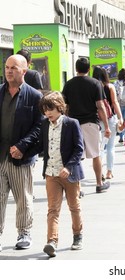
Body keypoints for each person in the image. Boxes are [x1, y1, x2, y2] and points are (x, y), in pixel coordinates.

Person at [25, 91, 84, 257]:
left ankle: (77, 236)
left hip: (69, 174)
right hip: (51, 173)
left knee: (74, 207)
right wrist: (23, 152)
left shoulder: (72, 123)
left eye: (50, 109)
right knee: (52, 210)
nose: (47, 113)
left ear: (60, 107)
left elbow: (79, 148)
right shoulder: (45, 124)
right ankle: (52, 241)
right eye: (45, 109)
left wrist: (69, 167)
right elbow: (41, 146)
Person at [0, 54, 43, 251]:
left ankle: (24, 232)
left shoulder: (34, 96)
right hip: (0, 155)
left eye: (14, 68)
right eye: (7, 67)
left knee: (23, 197)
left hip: (20, 156)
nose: (8, 71)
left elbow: (39, 126)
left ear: (24, 71)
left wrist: (22, 146)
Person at [62, 57, 111, 193]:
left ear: (76, 69)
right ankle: (99, 183)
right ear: (89, 69)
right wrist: (106, 126)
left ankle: (77, 187)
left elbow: (65, 106)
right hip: (91, 122)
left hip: (73, 123)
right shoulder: (95, 83)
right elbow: (100, 106)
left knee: (76, 155)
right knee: (96, 154)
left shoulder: (68, 84)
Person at [92, 66, 123, 180]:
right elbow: (115, 103)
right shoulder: (110, 87)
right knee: (110, 147)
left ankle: (99, 173)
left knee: (99, 148)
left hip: (96, 120)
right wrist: (120, 117)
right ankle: (109, 171)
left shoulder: (93, 86)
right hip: (110, 119)